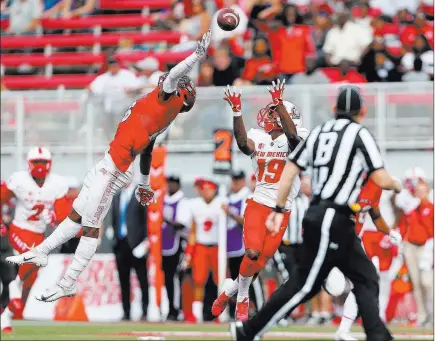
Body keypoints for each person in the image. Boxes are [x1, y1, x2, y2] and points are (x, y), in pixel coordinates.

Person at [6, 31, 212, 303]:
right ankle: (42, 251)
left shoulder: (168, 102)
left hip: (115, 168)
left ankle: (68, 282)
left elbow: (173, 77)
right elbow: (148, 149)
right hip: (108, 160)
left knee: (91, 226)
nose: (165, 81)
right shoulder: (164, 111)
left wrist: (196, 55)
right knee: (76, 215)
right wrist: (144, 183)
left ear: (181, 95)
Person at [230, 85, 402, 341]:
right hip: (332, 216)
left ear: (334, 110)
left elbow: (290, 170)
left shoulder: (320, 132)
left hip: (326, 218)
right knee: (304, 285)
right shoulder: (359, 134)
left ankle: (378, 336)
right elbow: (379, 176)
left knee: (366, 278)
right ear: (362, 112)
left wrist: (278, 208)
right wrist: (396, 185)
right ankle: (248, 330)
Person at [212, 79, 307, 322]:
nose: (269, 115)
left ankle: (229, 291)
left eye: (275, 112)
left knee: (259, 263)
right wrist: (237, 112)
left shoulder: (299, 136)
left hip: (282, 210)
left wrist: (279, 103)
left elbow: (295, 139)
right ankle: (242, 297)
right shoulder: (259, 136)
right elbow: (244, 145)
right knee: (252, 253)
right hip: (258, 204)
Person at [0, 147, 71, 332]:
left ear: (50, 164)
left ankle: (7, 314)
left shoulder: (57, 184)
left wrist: (54, 218)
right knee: (26, 262)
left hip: (38, 235)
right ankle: (13, 300)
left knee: (28, 277)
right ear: (29, 163)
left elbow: (64, 216)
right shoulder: (19, 180)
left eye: (43, 162)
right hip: (18, 229)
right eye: (36, 162)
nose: (40, 166)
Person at [333, 176, 402, 340]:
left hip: (354, 240)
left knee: (362, 282)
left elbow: (376, 216)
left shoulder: (374, 188)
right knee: (308, 284)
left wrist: (390, 232)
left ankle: (344, 330)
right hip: (334, 237)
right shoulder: (343, 184)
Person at [394, 167, 434, 326]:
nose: (417, 189)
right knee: (416, 283)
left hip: (427, 247)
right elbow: (404, 225)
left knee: (428, 282)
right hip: (410, 246)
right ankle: (422, 315)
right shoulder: (409, 205)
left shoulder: (429, 206)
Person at [221, 171, 264, 319]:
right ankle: (240, 312)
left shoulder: (248, 197)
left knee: (250, 280)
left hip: (246, 246)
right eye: (233, 180)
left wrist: (230, 213)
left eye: (238, 180)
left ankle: (260, 309)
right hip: (231, 247)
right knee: (236, 282)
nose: (235, 183)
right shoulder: (228, 197)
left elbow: (247, 221)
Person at [184, 179, 223, 322]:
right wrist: (190, 250)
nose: (207, 192)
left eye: (209, 189)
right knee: (198, 280)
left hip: (218, 246)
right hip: (201, 246)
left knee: (221, 280)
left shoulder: (221, 203)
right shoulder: (195, 205)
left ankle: (221, 313)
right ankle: (197, 313)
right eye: (204, 189)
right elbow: (193, 231)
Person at [111, 180, 149, 321]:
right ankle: (126, 312)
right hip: (121, 243)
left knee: (142, 279)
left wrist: (146, 241)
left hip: (137, 243)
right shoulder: (117, 196)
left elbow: (146, 219)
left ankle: (145, 311)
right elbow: (115, 220)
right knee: (124, 280)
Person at [162, 175, 191, 321]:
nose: (171, 186)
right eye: (169, 183)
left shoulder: (182, 202)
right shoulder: (162, 199)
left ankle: (177, 309)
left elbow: (181, 223)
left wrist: (163, 218)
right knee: (167, 279)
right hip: (163, 245)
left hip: (177, 245)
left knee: (175, 278)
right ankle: (170, 308)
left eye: (173, 183)